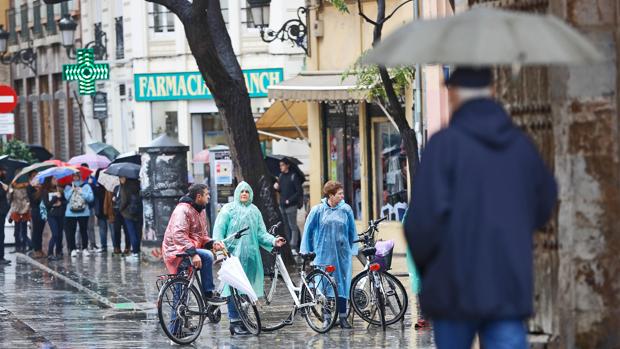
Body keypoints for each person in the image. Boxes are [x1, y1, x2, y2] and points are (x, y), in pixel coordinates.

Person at [404, 67, 558, 349]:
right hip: (507, 283)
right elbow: (545, 202)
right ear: (493, 93)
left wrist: (432, 270)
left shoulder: (443, 147)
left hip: (452, 286)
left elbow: (420, 224)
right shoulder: (520, 146)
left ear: (453, 95)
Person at [212, 181, 286, 335]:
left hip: (252, 258)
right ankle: (234, 322)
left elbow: (261, 233)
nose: (244, 193)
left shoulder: (255, 211)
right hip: (232, 257)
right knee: (233, 288)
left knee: (246, 289)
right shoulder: (228, 210)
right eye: (241, 191)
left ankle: (244, 320)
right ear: (237, 193)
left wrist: (273, 240)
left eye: (247, 191)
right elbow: (219, 231)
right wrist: (218, 248)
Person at [300, 180, 358, 329]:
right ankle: (327, 317)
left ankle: (343, 317)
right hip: (323, 254)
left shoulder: (346, 210)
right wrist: (307, 250)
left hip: (342, 254)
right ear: (330, 195)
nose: (342, 196)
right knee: (325, 286)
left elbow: (352, 231)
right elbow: (308, 230)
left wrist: (353, 248)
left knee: (343, 285)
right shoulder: (317, 210)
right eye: (339, 194)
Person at [162, 184, 226, 305]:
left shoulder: (200, 210)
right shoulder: (182, 210)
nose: (209, 197)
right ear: (198, 196)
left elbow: (201, 236)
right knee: (206, 257)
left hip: (188, 248)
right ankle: (208, 294)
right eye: (206, 194)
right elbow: (179, 235)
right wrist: (193, 254)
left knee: (183, 290)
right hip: (176, 250)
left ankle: (184, 320)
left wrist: (213, 243)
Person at [273, 158, 303, 254]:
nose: (280, 167)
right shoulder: (281, 176)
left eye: (282, 165)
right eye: (280, 165)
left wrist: (289, 200)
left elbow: (299, 192)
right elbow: (281, 190)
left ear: (287, 165)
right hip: (282, 206)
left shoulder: (293, 176)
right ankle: (288, 244)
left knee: (292, 225)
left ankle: (293, 246)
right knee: (286, 226)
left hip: (291, 206)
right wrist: (277, 188)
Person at [64, 172, 95, 258]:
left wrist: (82, 192)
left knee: (84, 230)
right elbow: (66, 197)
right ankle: (73, 249)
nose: (75, 177)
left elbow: (91, 198)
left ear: (80, 176)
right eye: (74, 175)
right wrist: (72, 190)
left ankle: (85, 248)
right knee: (71, 232)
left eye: (77, 175)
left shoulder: (86, 186)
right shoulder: (68, 186)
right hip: (70, 213)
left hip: (84, 212)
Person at [43, 177, 66, 260]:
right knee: (55, 234)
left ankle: (59, 251)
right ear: (49, 181)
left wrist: (61, 202)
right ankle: (50, 253)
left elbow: (65, 202)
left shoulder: (60, 190)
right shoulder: (45, 191)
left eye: (56, 179)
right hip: (52, 215)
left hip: (60, 214)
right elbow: (47, 205)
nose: (56, 181)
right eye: (53, 179)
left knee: (60, 234)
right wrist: (55, 198)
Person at [119, 177, 142, 261]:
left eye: (121, 178)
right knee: (138, 232)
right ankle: (137, 251)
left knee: (132, 233)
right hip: (138, 212)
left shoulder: (125, 187)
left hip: (128, 213)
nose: (120, 180)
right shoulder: (138, 185)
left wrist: (120, 209)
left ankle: (135, 253)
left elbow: (124, 200)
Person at [8, 180, 31, 253]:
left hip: (24, 210)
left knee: (23, 230)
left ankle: (23, 247)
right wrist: (10, 192)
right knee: (17, 231)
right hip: (16, 210)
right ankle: (18, 247)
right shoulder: (12, 188)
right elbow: (9, 199)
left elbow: (27, 199)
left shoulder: (25, 188)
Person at [27, 172, 46, 258]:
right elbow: (34, 199)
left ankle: (40, 248)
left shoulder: (41, 187)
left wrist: (40, 188)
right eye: (34, 176)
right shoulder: (30, 188)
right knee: (36, 231)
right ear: (30, 178)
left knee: (41, 230)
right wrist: (37, 189)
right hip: (35, 210)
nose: (36, 178)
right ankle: (36, 249)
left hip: (42, 211)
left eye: (37, 176)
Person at [83, 163, 99, 252]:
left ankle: (93, 244)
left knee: (90, 227)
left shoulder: (92, 179)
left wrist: (92, 184)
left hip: (90, 207)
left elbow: (96, 192)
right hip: (81, 207)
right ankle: (80, 245)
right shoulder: (80, 180)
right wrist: (87, 184)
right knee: (81, 228)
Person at [93, 169, 109, 254]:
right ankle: (115, 247)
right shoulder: (109, 186)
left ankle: (104, 247)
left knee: (103, 229)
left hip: (100, 211)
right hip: (108, 210)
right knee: (110, 229)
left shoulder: (96, 187)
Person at [111, 184, 131, 255]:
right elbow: (113, 197)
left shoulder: (127, 187)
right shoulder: (116, 188)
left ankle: (127, 247)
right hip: (117, 212)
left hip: (125, 211)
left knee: (127, 230)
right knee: (116, 230)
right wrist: (113, 199)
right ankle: (117, 247)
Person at [0, 166, 11, 265]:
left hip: (2, 213)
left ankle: (1, 256)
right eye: (1, 170)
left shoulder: (2, 182)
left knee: (1, 235)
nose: (3, 172)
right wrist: (4, 190)